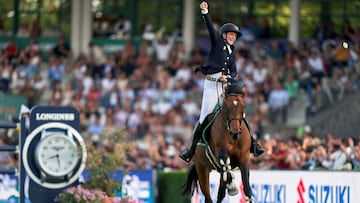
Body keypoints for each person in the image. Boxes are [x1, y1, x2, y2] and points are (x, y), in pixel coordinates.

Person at [179, 1, 265, 162]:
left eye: (234, 35)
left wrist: (230, 78)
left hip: (225, 86)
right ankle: (190, 151)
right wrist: (205, 12)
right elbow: (211, 30)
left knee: (239, 112)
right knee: (204, 117)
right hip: (212, 85)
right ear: (224, 35)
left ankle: (253, 144)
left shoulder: (233, 52)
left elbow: (234, 70)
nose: (233, 37)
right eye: (230, 34)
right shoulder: (217, 43)